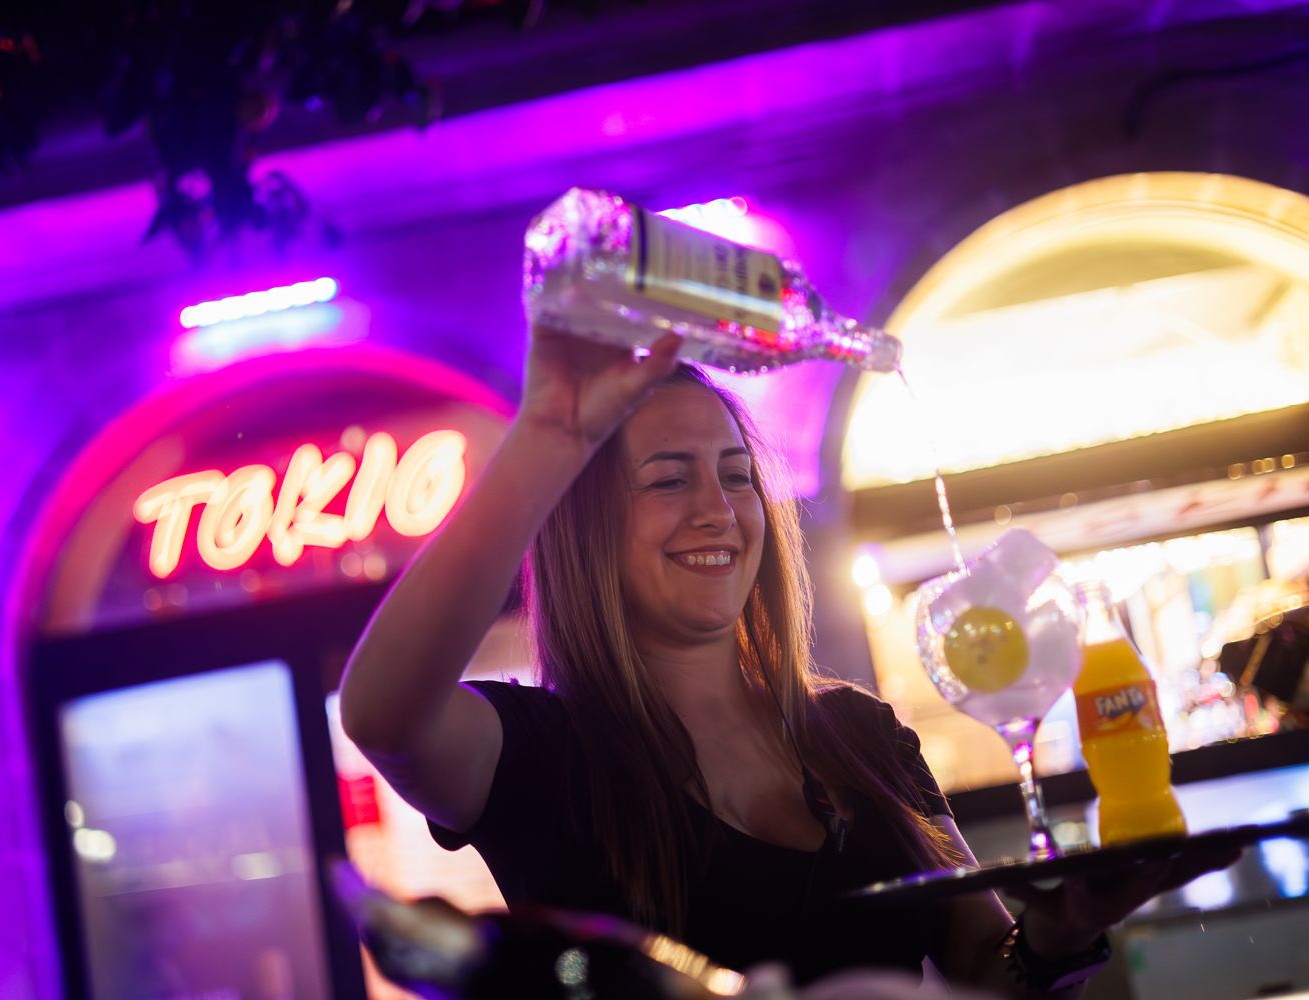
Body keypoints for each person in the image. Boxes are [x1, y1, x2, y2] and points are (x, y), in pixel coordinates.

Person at [339, 327, 1234, 996]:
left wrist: (1058, 932)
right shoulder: (541, 753)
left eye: (735, 474)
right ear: (585, 531)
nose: (718, 511)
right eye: (668, 479)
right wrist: (547, 437)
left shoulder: (858, 732)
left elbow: (985, 970)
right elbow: (382, 712)